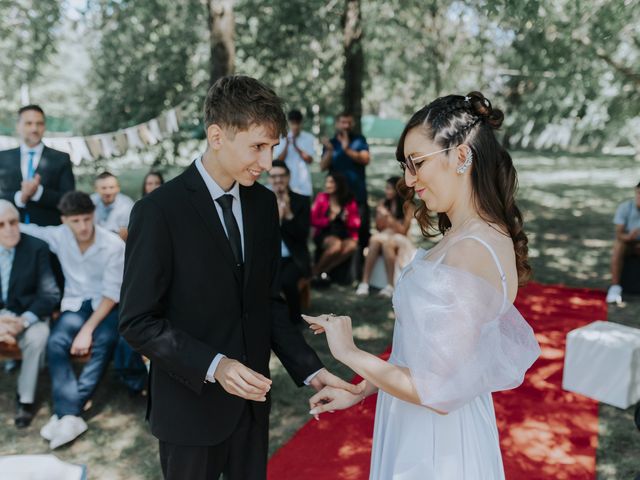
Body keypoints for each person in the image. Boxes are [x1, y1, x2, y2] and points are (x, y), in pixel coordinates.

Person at [118, 75, 361, 480]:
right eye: (258, 147)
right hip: (188, 413)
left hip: (252, 411)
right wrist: (216, 366)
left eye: (272, 148)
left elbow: (265, 302)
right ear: (217, 136)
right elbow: (137, 321)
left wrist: (311, 371)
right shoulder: (158, 211)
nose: (267, 163)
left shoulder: (264, 204)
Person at [304, 92, 541, 479]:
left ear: (461, 156)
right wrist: (362, 388)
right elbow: (423, 356)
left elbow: (440, 390)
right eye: (405, 166)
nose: (409, 180)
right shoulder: (466, 235)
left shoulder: (472, 248)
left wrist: (349, 352)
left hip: (435, 446)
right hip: (414, 422)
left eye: (416, 164)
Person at [20, 191, 125, 449]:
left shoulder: (113, 245)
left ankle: (67, 412)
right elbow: (29, 229)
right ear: (65, 220)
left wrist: (87, 330)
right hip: (75, 304)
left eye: (87, 219)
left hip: (106, 306)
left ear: (93, 216)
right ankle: (71, 415)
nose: (83, 227)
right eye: (76, 221)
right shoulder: (59, 235)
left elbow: (112, 294)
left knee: (104, 341)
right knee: (56, 343)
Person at [0, 200, 59, 428]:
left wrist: (22, 322)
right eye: (1, 224)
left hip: (28, 314)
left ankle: (25, 400)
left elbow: (50, 294)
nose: (8, 229)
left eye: (13, 221)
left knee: (38, 336)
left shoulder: (37, 247)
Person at [0, 105, 75, 226]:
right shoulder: (2, 157)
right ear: (18, 126)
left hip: (50, 231)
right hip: (9, 230)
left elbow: (69, 200)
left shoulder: (61, 158)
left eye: (39, 123)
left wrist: (38, 193)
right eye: (28, 123)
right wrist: (20, 197)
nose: (34, 128)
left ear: (44, 126)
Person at [320, 112, 371, 258]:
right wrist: (329, 150)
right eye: (343, 122)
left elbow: (366, 160)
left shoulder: (359, 140)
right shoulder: (332, 143)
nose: (346, 126)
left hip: (357, 195)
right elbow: (323, 166)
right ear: (337, 124)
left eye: (349, 122)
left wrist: (347, 148)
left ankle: (360, 266)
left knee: (361, 232)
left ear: (353, 124)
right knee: (338, 233)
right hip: (338, 198)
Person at [355, 176, 416, 298]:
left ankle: (390, 285)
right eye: (386, 188)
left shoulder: (408, 206)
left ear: (397, 190)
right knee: (374, 241)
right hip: (385, 235)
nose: (386, 191)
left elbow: (403, 230)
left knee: (386, 243)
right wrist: (380, 216)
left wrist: (388, 215)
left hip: (400, 238)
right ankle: (364, 283)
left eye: (389, 189)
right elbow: (379, 228)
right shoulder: (383, 203)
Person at [268, 160, 311, 325]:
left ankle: (295, 320)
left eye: (281, 175)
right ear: (269, 179)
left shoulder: (301, 200)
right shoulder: (262, 201)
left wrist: (289, 215)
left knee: (286, 281)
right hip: (270, 257)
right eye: (274, 176)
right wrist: (277, 219)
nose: (278, 180)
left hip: (294, 257)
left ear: (288, 177)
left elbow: (303, 235)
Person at [310, 172, 360, 283]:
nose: (327, 185)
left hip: (344, 233)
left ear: (339, 184)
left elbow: (357, 223)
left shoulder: (349, 200)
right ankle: (314, 272)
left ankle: (325, 270)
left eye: (331, 182)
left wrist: (347, 219)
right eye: (327, 182)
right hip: (325, 233)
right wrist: (329, 219)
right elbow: (313, 219)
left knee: (352, 246)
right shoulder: (321, 197)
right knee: (336, 245)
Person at [606, 182, 640, 304]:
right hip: (628, 243)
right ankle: (615, 287)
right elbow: (619, 234)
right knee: (619, 245)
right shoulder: (626, 207)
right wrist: (629, 237)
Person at [272, 109, 315, 198]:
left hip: (304, 187)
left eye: (297, 123)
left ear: (301, 123)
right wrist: (287, 144)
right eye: (293, 123)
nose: (295, 126)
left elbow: (310, 160)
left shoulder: (309, 138)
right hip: (286, 185)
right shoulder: (282, 137)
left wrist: (296, 145)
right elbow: (278, 161)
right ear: (289, 123)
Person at [90, 171, 134, 241]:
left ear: (118, 188)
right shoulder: (90, 202)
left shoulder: (127, 204)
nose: (108, 192)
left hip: (118, 245)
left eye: (111, 187)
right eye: (104, 188)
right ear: (96, 189)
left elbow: (127, 233)